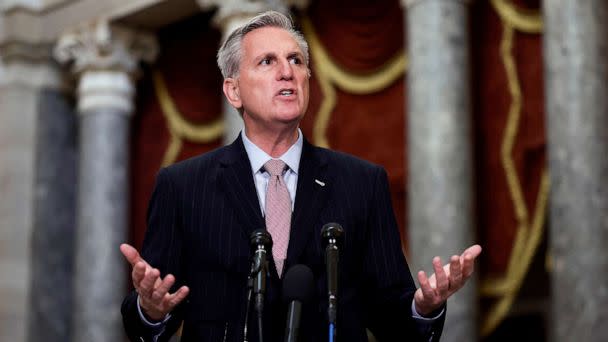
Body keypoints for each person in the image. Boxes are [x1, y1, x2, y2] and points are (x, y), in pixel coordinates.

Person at [120, 10, 481, 342]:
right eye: (267, 62)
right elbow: (154, 311)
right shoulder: (184, 186)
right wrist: (150, 311)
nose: (287, 71)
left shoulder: (362, 182)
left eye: (296, 60)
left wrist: (424, 308)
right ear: (233, 91)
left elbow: (390, 315)